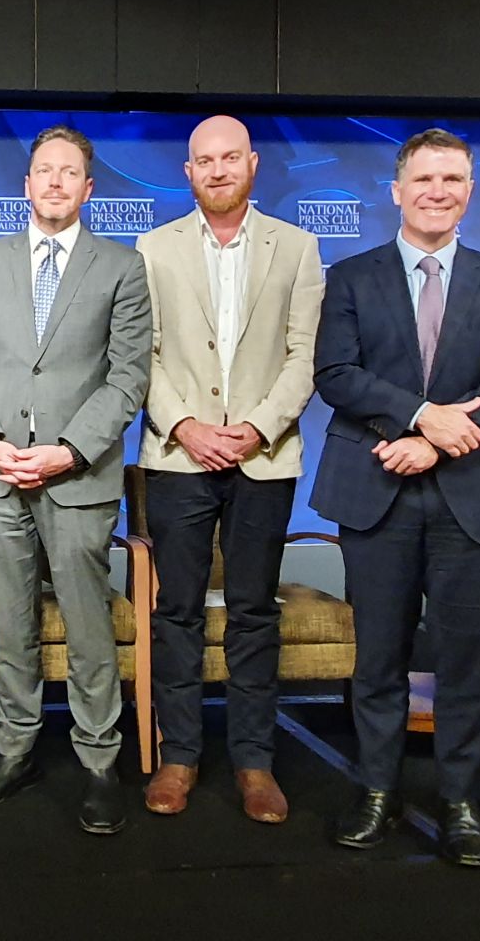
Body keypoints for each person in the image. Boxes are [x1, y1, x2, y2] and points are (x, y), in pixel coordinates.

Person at [311, 128, 480, 867]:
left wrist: (435, 439)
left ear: (471, 190)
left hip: (470, 494)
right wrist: (414, 415)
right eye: (425, 179)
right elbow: (336, 372)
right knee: (378, 656)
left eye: (454, 179)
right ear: (397, 191)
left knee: (466, 659)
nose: (439, 191)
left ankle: (461, 800)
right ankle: (377, 790)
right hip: (375, 487)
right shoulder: (349, 275)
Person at [0, 125, 153, 835]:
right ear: (26, 185)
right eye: (43, 171)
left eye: (69, 173)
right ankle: (15, 750)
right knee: (12, 624)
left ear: (88, 188)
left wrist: (67, 449)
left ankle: (99, 761)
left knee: (89, 627)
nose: (55, 182)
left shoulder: (122, 269)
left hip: (78, 476)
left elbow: (128, 378)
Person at [134, 115, 323, 822]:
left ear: (253, 164)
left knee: (251, 612)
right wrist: (185, 424)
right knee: (177, 611)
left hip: (264, 459)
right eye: (203, 160)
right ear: (188, 172)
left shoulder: (298, 248)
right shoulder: (152, 249)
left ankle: (254, 763)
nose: (216, 170)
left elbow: (305, 354)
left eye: (229, 158)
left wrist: (254, 427)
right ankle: (179, 756)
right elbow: (141, 355)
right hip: (178, 456)